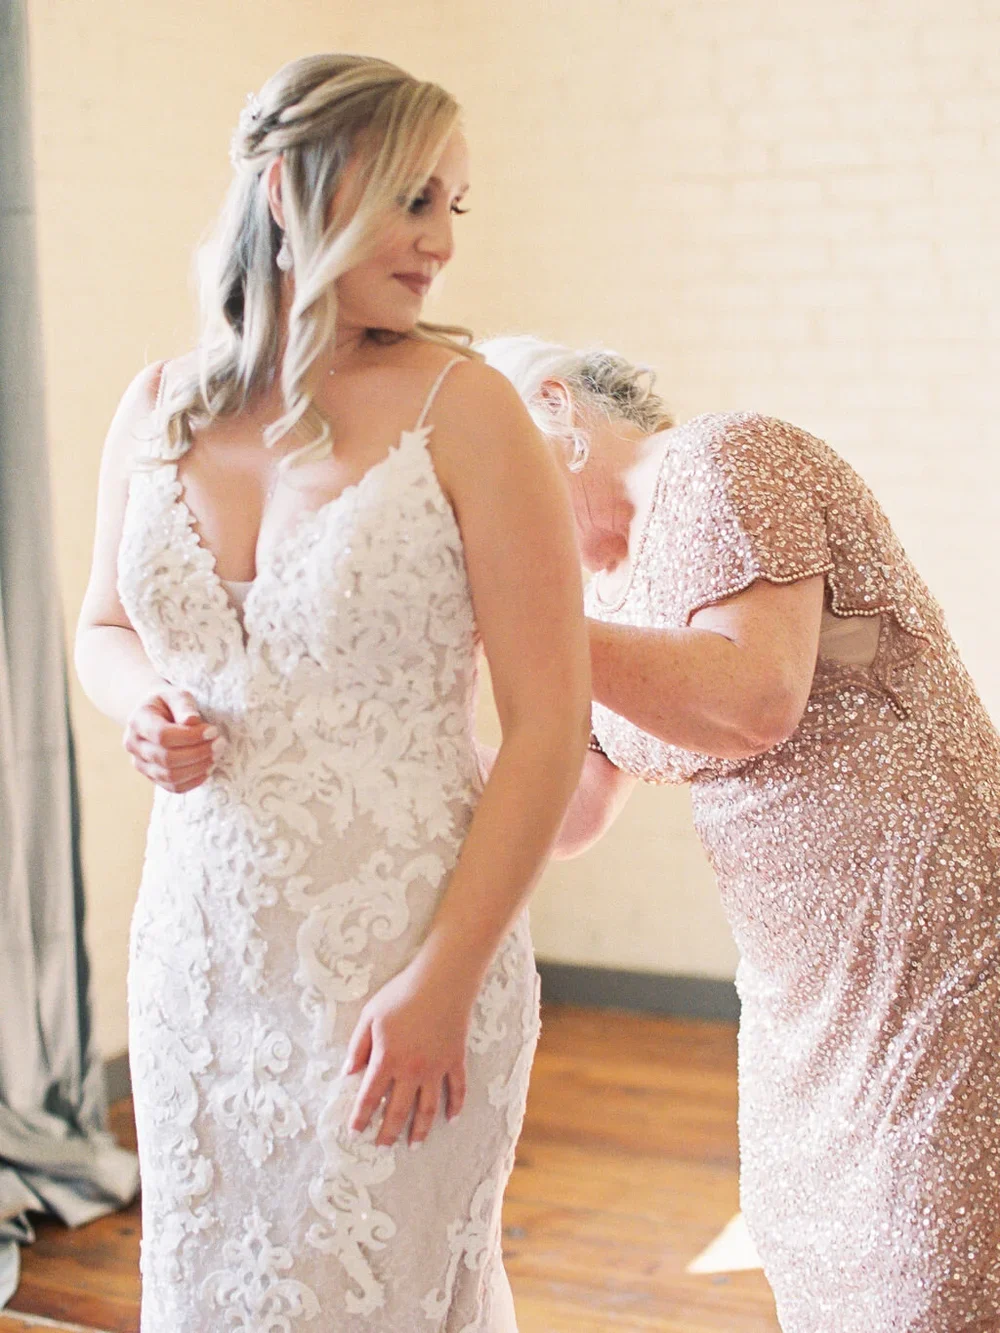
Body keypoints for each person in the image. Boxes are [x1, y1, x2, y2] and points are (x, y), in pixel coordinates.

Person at [74, 61, 590, 1331]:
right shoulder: (154, 409)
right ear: (288, 188)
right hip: (202, 956)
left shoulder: (467, 415)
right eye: (416, 198)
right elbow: (102, 626)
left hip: (405, 958)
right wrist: (145, 701)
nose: (442, 243)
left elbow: (548, 723)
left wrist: (444, 979)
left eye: (454, 204)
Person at [479, 333, 1000, 1333]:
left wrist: (516, 617)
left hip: (935, 937)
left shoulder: (724, 459)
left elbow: (753, 697)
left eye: (494, 482)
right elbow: (573, 811)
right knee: (814, 1252)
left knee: (927, 1269)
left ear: (554, 408)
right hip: (798, 985)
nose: (493, 525)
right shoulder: (593, 594)